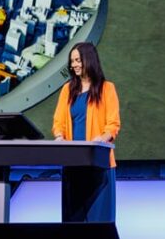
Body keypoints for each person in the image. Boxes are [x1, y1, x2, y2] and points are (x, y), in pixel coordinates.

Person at [52, 41, 121, 222]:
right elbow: (58, 122)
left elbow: (113, 125)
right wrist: (59, 136)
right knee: (74, 221)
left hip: (98, 164)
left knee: (99, 223)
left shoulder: (107, 89)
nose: (73, 65)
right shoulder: (67, 90)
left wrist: (100, 140)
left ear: (88, 60)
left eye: (77, 60)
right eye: (72, 61)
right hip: (73, 164)